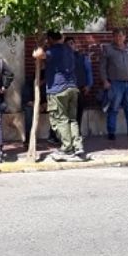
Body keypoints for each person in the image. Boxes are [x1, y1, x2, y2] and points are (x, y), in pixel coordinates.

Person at [34, 31, 87, 161]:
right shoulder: (69, 49)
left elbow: (37, 54)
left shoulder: (53, 51)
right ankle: (78, 146)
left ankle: (67, 148)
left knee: (60, 119)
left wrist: (41, 44)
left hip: (58, 89)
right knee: (72, 119)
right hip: (72, 87)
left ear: (50, 39)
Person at [100, 28, 128, 140]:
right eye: (116, 36)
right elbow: (102, 67)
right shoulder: (108, 49)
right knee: (113, 108)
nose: (119, 38)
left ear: (124, 37)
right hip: (115, 84)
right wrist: (105, 80)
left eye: (121, 36)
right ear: (113, 37)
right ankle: (111, 132)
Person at [65, 36, 94, 131]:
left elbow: (88, 71)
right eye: (67, 44)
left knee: (78, 112)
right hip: (66, 90)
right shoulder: (62, 58)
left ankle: (77, 132)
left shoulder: (82, 57)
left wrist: (89, 85)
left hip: (80, 89)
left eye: (72, 43)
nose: (70, 46)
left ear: (75, 45)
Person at [21, 69, 46, 148]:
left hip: (41, 106)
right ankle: (28, 137)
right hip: (31, 105)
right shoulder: (28, 84)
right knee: (29, 111)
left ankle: (54, 136)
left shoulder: (45, 85)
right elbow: (28, 101)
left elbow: (46, 98)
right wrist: (38, 106)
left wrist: (45, 105)